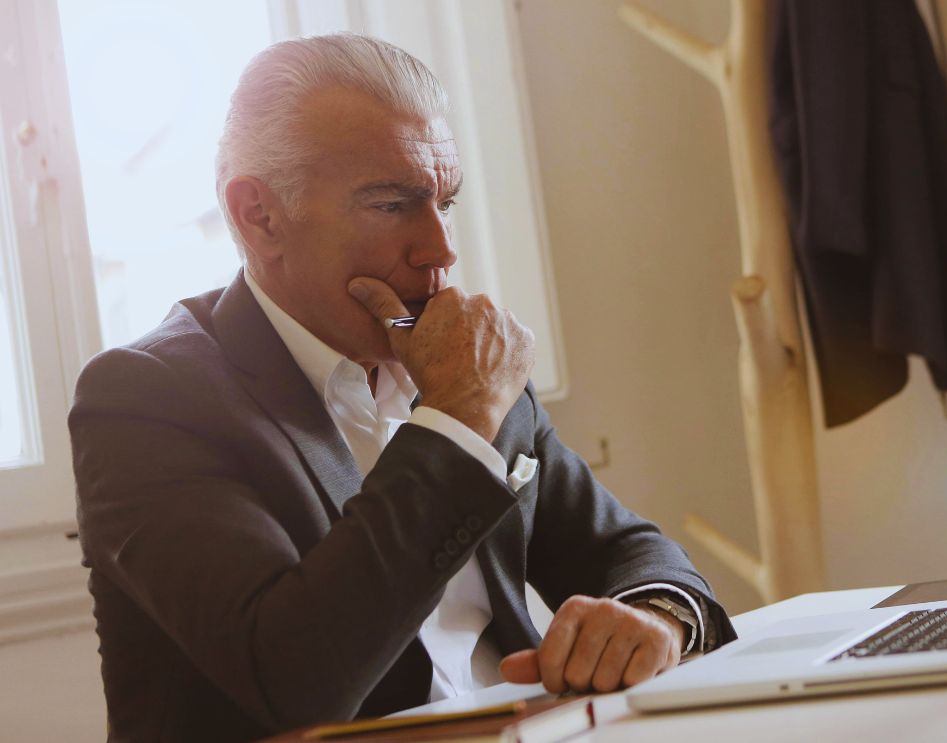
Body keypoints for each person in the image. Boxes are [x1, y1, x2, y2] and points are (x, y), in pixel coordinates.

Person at [69, 33, 733, 742]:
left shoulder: (462, 364)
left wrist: (655, 618)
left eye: (445, 201)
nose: (441, 250)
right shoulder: (144, 400)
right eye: (391, 205)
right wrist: (456, 420)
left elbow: (629, 550)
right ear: (258, 216)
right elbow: (293, 677)